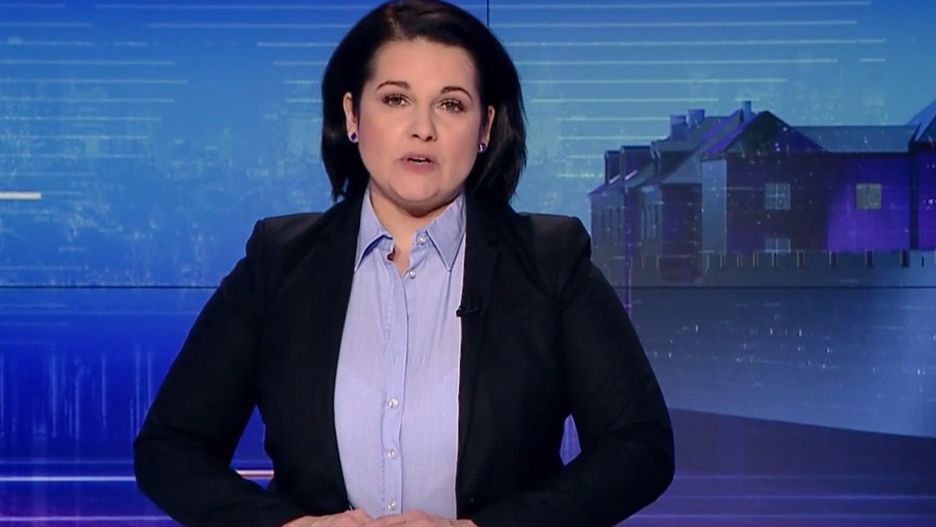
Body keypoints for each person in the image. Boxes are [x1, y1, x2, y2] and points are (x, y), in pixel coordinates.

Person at [133, 1, 674, 526]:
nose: (423, 128)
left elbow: (639, 446)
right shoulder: (278, 263)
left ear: (485, 127)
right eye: (395, 99)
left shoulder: (551, 263)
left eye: (451, 105)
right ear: (352, 115)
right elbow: (170, 447)